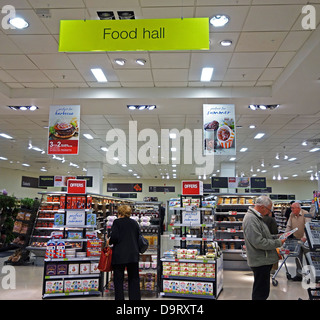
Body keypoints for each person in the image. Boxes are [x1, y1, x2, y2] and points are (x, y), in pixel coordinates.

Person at [243, 195, 285, 300]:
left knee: (263, 290)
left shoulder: (257, 218)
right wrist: (278, 242)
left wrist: (275, 237)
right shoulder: (251, 219)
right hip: (260, 261)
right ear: (262, 207)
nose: (269, 212)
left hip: (263, 260)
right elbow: (259, 242)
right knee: (260, 293)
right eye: (269, 209)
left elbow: (263, 236)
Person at [109, 205, 141, 300]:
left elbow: (114, 238)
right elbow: (138, 237)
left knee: (118, 280)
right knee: (134, 279)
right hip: (133, 254)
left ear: (119, 213)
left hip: (120, 255)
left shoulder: (117, 222)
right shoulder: (134, 223)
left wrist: (109, 241)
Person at [285, 201, 311, 281]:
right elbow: (289, 226)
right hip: (297, 239)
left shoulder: (306, 213)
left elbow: (308, 226)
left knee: (309, 258)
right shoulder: (291, 214)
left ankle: (311, 275)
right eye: (291, 208)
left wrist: (304, 237)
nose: (291, 209)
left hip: (306, 240)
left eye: (293, 208)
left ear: (298, 208)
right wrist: (285, 235)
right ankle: (299, 275)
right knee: (298, 257)